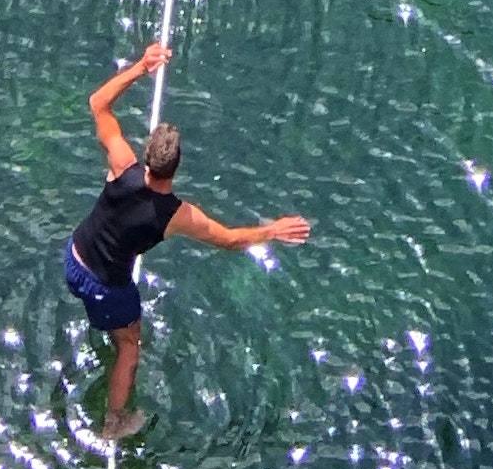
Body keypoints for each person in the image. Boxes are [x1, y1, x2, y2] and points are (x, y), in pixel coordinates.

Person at [61, 39, 310, 436]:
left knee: (112, 322)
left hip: (73, 259)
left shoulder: (121, 164)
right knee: (130, 346)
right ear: (177, 167)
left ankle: (105, 328)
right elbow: (229, 240)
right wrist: (273, 230)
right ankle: (113, 422)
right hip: (107, 287)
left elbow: (98, 103)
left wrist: (142, 66)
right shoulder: (177, 215)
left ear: (145, 157)